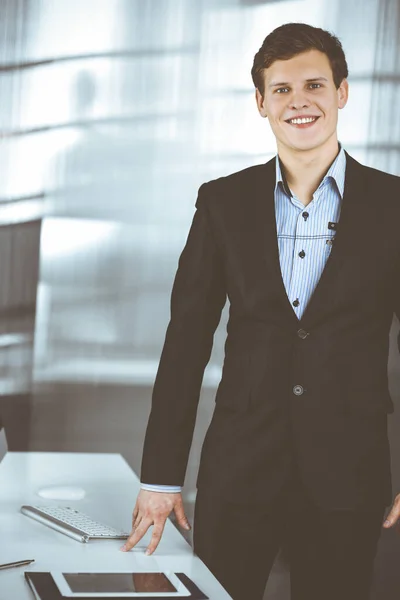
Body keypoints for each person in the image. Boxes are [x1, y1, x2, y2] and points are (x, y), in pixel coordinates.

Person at [120, 23, 400, 600]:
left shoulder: (393, 206)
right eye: (282, 89)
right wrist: (160, 475)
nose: (299, 101)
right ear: (261, 102)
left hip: (350, 472)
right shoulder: (222, 202)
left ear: (342, 93)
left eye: (315, 85)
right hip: (239, 470)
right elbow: (185, 345)